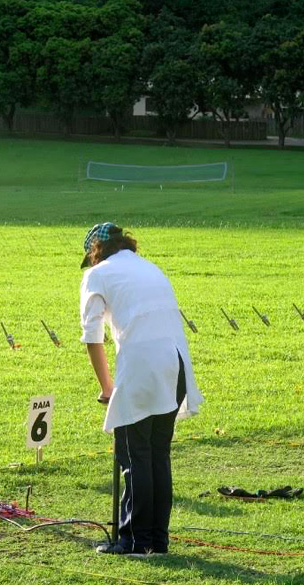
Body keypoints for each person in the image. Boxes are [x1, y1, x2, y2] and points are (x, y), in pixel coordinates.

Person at [79, 222, 203, 556]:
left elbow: (92, 336)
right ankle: (157, 541)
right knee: (158, 455)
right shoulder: (150, 268)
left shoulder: (97, 274)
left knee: (135, 456)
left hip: (142, 366)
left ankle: (133, 541)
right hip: (175, 365)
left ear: (95, 251)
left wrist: (107, 388)